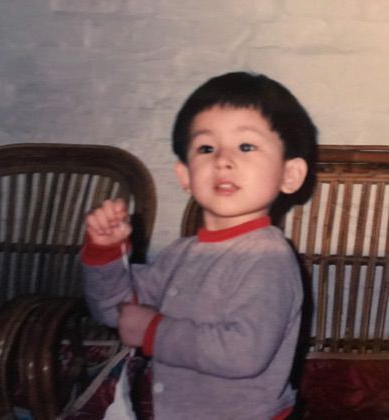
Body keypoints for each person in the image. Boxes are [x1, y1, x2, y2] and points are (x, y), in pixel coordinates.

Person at [81, 71, 318, 420]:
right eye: (206, 148)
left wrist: (153, 331)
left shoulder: (269, 258)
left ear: (289, 175)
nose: (222, 159)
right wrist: (105, 253)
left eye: (246, 146)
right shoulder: (181, 253)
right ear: (185, 176)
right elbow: (115, 311)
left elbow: (243, 353)